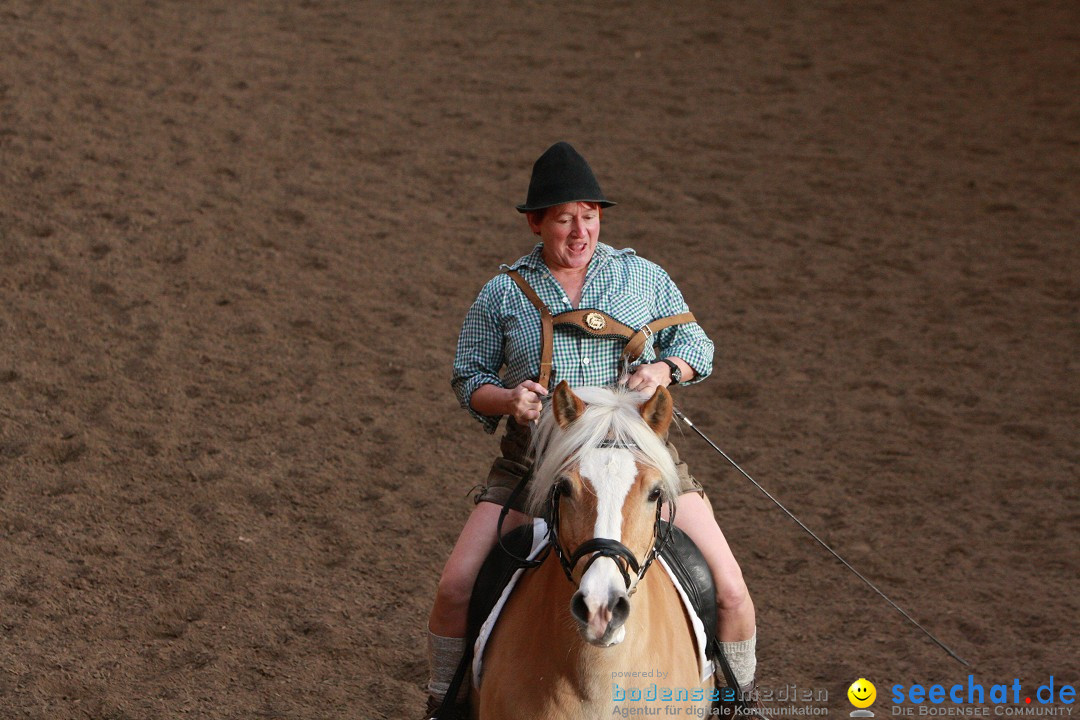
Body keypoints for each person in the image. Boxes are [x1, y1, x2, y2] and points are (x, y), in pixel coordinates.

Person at [424, 142, 759, 717]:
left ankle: (738, 706)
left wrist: (665, 368)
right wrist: (508, 399)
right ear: (537, 222)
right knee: (456, 586)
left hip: (638, 458)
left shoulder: (642, 276)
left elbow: (697, 346)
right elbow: (468, 377)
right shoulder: (505, 292)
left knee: (731, 591)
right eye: (564, 218)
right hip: (537, 463)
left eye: (590, 215)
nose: (580, 231)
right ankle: (443, 706)